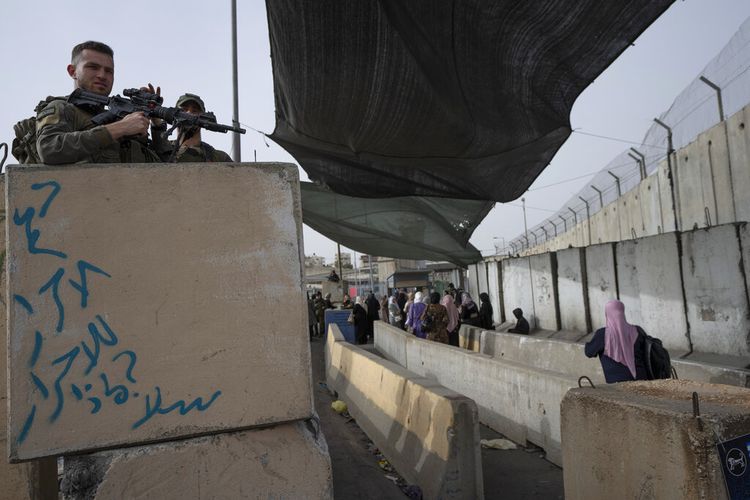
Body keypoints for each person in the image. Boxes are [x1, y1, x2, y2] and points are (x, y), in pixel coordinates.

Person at [35, 41, 160, 164]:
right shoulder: (62, 108)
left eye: (108, 71)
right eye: (93, 67)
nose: (102, 75)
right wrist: (121, 127)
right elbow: (49, 149)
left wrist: (156, 123)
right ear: (73, 71)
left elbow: (168, 168)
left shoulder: (118, 119)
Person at [152, 93, 233, 162]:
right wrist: (155, 120)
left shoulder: (219, 158)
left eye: (194, 111)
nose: (189, 113)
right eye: (183, 110)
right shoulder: (160, 148)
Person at [585, 300, 648, 383]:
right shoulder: (638, 331)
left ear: (607, 314)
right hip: (642, 380)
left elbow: (589, 352)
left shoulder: (602, 334)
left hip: (616, 384)